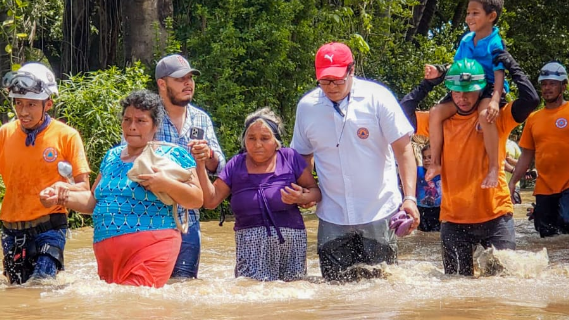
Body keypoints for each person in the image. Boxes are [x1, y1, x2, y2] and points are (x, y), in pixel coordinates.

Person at [0, 62, 91, 284]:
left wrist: (63, 188)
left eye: (32, 104)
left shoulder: (67, 136)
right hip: (12, 231)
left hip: (50, 227)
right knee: (16, 290)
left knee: (40, 284)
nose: (23, 111)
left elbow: (83, 187)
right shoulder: (5, 133)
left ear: (48, 104)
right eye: (19, 103)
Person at [41, 91, 203, 288]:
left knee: (137, 308)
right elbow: (93, 202)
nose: (132, 126)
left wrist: (166, 183)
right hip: (106, 249)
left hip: (152, 245)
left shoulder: (172, 153)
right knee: (117, 313)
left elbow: (196, 199)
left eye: (141, 121)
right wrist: (60, 197)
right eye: (127, 119)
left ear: (155, 125)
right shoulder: (112, 156)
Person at [290, 42, 420, 282]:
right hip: (332, 215)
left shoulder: (378, 98)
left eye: (338, 80)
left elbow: (403, 151)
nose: (331, 87)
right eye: (325, 81)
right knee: (335, 293)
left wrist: (410, 198)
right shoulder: (307, 107)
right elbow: (302, 157)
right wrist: (306, 191)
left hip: (378, 211)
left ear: (352, 71)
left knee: (381, 291)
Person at [401, 53, 539, 276]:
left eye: (469, 92)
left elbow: (531, 100)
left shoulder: (497, 117)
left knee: (505, 286)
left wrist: (512, 65)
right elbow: (403, 113)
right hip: (454, 220)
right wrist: (428, 83)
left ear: (481, 90)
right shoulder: (440, 120)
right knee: (457, 287)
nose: (462, 98)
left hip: (496, 217)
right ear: (450, 91)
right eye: (457, 92)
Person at [195, 108, 321, 281]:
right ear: (244, 140)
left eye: (265, 138)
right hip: (249, 244)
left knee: (292, 295)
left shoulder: (289, 158)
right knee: (251, 292)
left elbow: (315, 192)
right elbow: (210, 201)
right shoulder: (236, 165)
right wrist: (200, 165)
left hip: (292, 243)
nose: (257, 144)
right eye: (251, 138)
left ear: (276, 141)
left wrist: (301, 198)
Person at [424, 0, 508, 189]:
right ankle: (435, 163)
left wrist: (495, 100)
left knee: (486, 114)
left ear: (491, 16)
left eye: (475, 13)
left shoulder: (496, 43)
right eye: (468, 13)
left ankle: (494, 168)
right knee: (435, 113)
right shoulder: (466, 40)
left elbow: (499, 75)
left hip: (488, 87)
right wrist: (439, 70)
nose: (469, 17)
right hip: (466, 86)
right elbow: (455, 67)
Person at [153, 54, 225, 279]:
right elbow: (128, 160)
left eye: (190, 78)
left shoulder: (201, 118)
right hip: (151, 219)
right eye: (180, 79)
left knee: (184, 289)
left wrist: (208, 154)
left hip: (189, 220)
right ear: (162, 84)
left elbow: (220, 167)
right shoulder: (146, 117)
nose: (188, 83)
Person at [508, 61, 569, 237]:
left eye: (552, 84)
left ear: (563, 86)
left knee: (566, 223)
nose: (547, 88)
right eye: (544, 84)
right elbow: (526, 155)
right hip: (544, 188)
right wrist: (512, 182)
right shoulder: (533, 118)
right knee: (546, 236)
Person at [416, 144, 442, 232]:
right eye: (424, 157)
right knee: (422, 233)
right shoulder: (418, 171)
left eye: (430, 157)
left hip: (438, 209)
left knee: (437, 233)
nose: (426, 160)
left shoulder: (441, 172)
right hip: (421, 209)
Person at [504, 135, 522, 204]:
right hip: (497, 184)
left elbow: (523, 163)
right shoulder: (491, 143)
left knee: (515, 208)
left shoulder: (513, 145)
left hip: (514, 184)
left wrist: (511, 160)